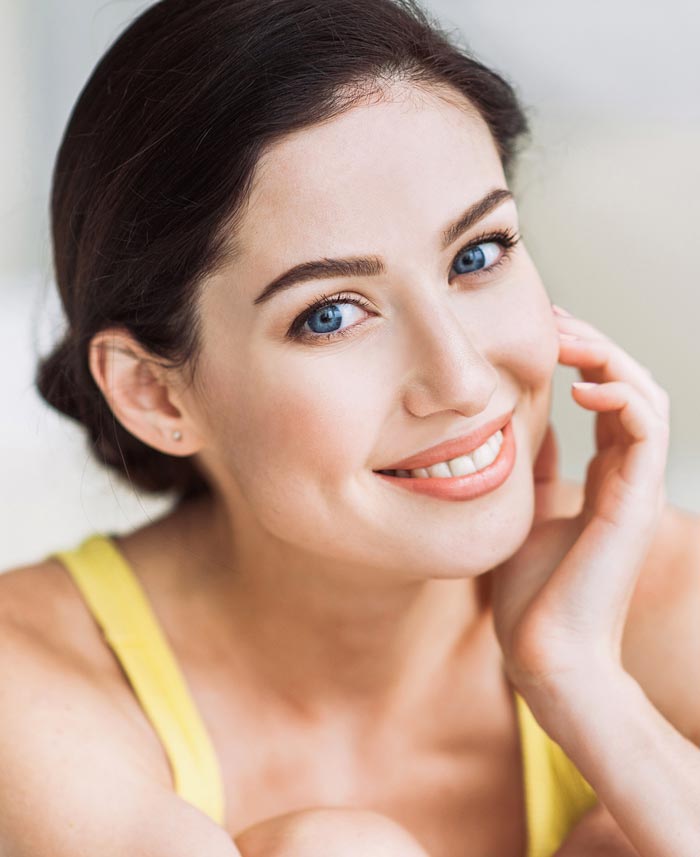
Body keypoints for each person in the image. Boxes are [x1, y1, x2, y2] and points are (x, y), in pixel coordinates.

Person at [1, 1, 698, 855]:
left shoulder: (655, 599)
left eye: (476, 255)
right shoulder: (31, 687)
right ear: (155, 393)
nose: (464, 380)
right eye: (330, 314)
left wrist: (583, 680)